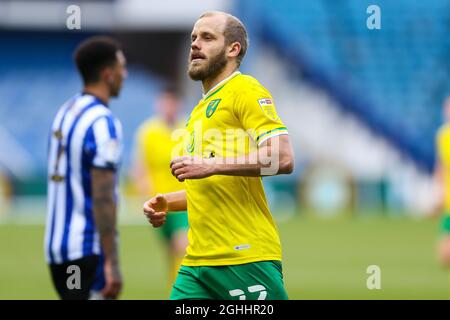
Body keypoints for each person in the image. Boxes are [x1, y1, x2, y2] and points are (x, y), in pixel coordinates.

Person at [143, 11, 295, 300]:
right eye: (193, 38)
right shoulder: (197, 112)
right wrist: (167, 201)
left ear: (232, 49)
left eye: (207, 37)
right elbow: (210, 186)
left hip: (243, 257)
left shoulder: (244, 89)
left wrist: (211, 165)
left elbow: (283, 158)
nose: (195, 44)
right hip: (197, 264)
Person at [44, 36, 127, 300]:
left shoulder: (65, 111)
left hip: (56, 248)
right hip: (86, 249)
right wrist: (112, 261)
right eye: (121, 67)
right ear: (108, 74)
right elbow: (102, 197)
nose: (125, 74)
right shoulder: (104, 122)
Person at [131, 87, 189, 287]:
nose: (168, 107)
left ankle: (185, 291)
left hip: (183, 201)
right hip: (159, 202)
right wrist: (143, 192)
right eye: (164, 102)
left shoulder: (188, 129)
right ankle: (176, 288)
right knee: (171, 250)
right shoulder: (148, 132)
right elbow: (140, 167)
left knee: (183, 244)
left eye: (171, 102)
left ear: (178, 104)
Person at [432, 96, 450, 271]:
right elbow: (441, 166)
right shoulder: (443, 135)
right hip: (449, 200)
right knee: (444, 258)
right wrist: (438, 190)